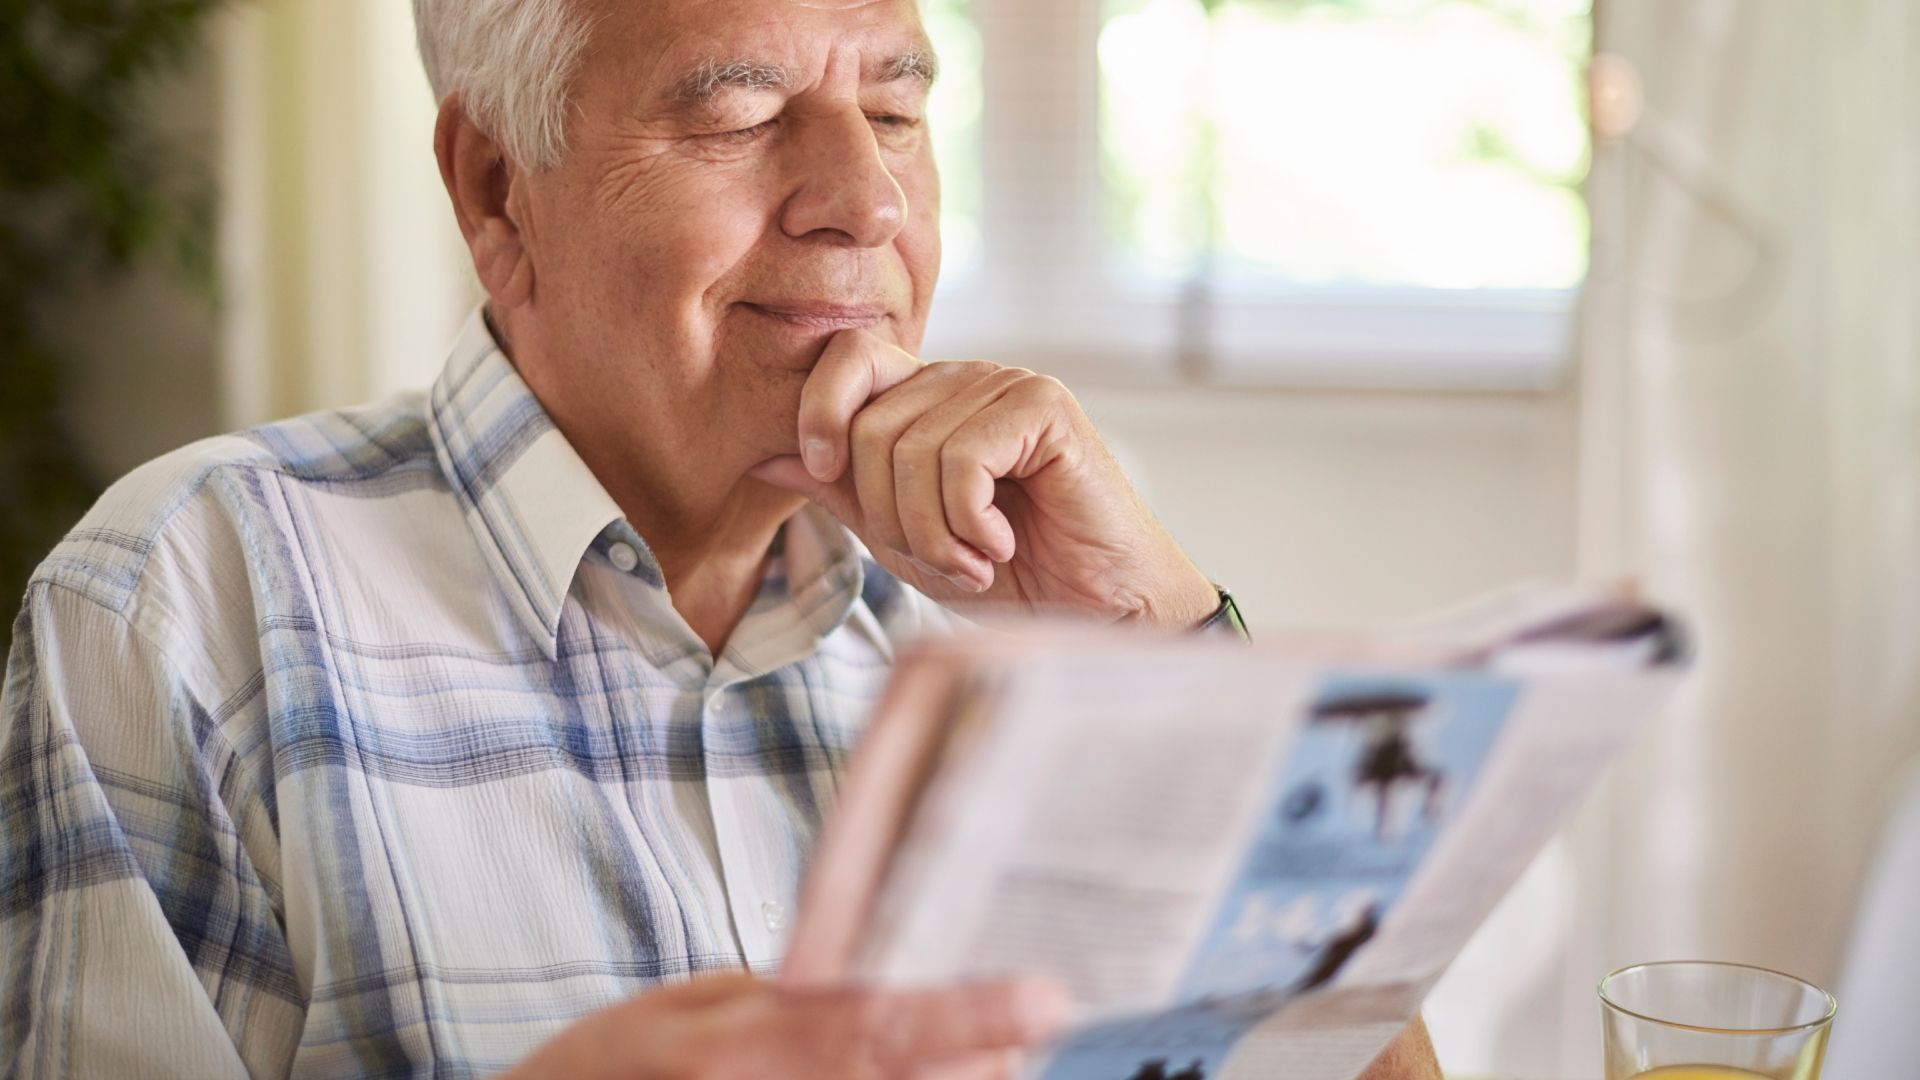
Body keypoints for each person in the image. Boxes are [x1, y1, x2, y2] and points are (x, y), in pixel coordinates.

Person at [0, 0, 1442, 1076]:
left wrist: (1172, 654)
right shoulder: (187, 603)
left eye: (895, 113)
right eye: (742, 115)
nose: (867, 203)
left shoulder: (1026, 624)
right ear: (497, 191)